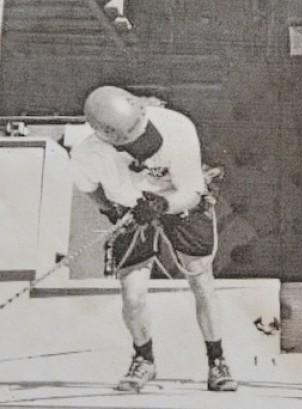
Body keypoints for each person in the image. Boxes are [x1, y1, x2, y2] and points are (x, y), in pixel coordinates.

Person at [69, 86, 238, 392]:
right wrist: (110, 210)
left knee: (201, 280)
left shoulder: (177, 127)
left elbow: (191, 190)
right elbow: (88, 188)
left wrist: (163, 204)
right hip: (131, 209)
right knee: (132, 297)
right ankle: (144, 358)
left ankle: (217, 360)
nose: (143, 145)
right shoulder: (87, 154)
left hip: (178, 202)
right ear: (106, 138)